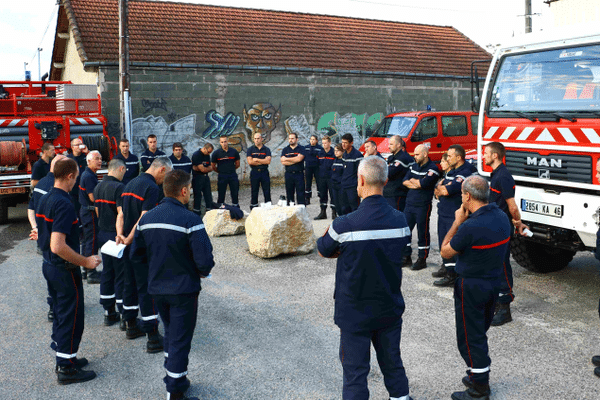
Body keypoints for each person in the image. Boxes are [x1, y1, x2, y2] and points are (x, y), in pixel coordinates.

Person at [317, 156, 413, 400]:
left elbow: (324, 248)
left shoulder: (344, 224)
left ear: (360, 180)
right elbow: (400, 251)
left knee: (355, 373)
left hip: (354, 312)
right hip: (388, 308)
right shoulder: (401, 221)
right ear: (386, 180)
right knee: (393, 363)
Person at [131, 169, 215, 400]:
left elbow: (136, 255)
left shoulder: (146, 219)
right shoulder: (191, 220)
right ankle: (175, 392)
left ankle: (175, 376)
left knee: (170, 334)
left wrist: (153, 273)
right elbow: (205, 261)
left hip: (157, 289)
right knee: (180, 339)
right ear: (185, 191)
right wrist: (199, 272)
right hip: (184, 291)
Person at [440, 175, 511, 400]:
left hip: (471, 286)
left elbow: (445, 251)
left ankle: (479, 387)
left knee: (471, 338)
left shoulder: (469, 226)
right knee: (478, 332)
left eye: (462, 193)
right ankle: (476, 374)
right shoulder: (500, 216)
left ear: (468, 196)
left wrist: (457, 222)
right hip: (492, 282)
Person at [34, 157, 101, 384]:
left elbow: (45, 235)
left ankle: (68, 357)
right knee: (71, 317)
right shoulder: (62, 202)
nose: (77, 180)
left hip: (50, 265)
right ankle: (66, 368)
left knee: (63, 315)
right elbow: (58, 245)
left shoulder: (46, 197)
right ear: (70, 176)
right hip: (63, 268)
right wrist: (86, 262)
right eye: (77, 176)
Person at [117, 156, 172, 351]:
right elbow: (143, 217)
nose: (164, 182)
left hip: (125, 245)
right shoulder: (152, 189)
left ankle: (131, 325)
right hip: (140, 246)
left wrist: (120, 235)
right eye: (166, 176)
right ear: (162, 170)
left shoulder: (130, 183)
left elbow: (121, 214)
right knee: (147, 290)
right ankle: (153, 337)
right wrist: (131, 238)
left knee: (129, 284)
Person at [484, 142, 528, 326]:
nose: (483, 156)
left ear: (495, 156)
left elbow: (512, 205)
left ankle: (505, 309)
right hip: (494, 225)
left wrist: (517, 223)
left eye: (486, 153)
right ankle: (496, 303)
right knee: (494, 265)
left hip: (502, 227)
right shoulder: (495, 174)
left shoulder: (503, 176)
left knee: (502, 267)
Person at [27, 154, 67, 322]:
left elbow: (31, 209)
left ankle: (53, 307)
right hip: (57, 237)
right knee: (61, 272)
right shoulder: (59, 187)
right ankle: (59, 306)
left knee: (49, 269)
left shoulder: (40, 184)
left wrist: (36, 227)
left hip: (43, 237)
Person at [433, 145, 476, 287]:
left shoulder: (466, 171)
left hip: (455, 215)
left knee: (453, 244)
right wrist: (442, 188)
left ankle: (453, 275)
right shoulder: (453, 170)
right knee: (443, 242)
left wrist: (443, 189)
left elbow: (448, 190)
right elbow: (439, 188)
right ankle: (448, 269)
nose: (447, 158)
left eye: (450, 156)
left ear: (458, 158)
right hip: (444, 212)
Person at [93, 158, 127, 328]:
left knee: (108, 272)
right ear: (121, 169)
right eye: (124, 171)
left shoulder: (98, 187)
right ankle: (123, 314)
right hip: (116, 236)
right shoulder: (119, 187)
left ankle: (108, 311)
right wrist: (120, 234)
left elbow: (98, 212)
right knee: (121, 274)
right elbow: (121, 214)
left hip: (103, 234)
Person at [402, 144, 440, 271]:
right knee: (405, 230)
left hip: (423, 205)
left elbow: (424, 183)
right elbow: (405, 181)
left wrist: (416, 182)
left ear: (425, 154)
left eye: (417, 154)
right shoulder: (413, 166)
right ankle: (406, 256)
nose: (415, 156)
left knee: (422, 232)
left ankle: (422, 259)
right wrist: (416, 183)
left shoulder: (433, 169)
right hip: (409, 204)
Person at [79, 150, 103, 284]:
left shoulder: (90, 174)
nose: (100, 161)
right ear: (88, 161)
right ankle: (91, 273)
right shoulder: (88, 176)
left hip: (86, 212)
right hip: (90, 213)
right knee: (92, 242)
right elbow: (93, 198)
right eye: (96, 159)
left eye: (100, 159)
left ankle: (85, 270)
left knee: (87, 241)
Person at [383, 136, 414, 212]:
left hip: (397, 195)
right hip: (389, 194)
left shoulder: (403, 158)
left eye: (391, 144)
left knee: (395, 220)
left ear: (398, 145)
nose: (388, 146)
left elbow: (388, 173)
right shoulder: (392, 157)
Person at [211, 136, 241, 208]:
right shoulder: (216, 153)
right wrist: (220, 171)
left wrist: (231, 169)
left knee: (235, 192)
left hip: (232, 175)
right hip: (222, 176)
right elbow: (213, 166)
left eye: (225, 141)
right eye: (222, 142)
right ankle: (220, 208)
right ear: (220, 143)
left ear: (228, 141)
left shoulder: (234, 151)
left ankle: (236, 207)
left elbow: (237, 164)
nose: (224, 143)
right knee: (221, 193)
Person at [246, 132, 272, 210]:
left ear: (261, 139)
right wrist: (263, 160)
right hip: (254, 172)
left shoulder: (266, 149)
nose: (257, 140)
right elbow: (250, 162)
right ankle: (254, 207)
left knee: (266, 191)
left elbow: (268, 161)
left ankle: (269, 208)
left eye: (258, 138)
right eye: (255, 139)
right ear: (253, 140)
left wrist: (257, 159)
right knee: (254, 191)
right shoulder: (250, 149)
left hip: (264, 172)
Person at [340, 134, 364, 215]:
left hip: (352, 187)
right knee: (344, 208)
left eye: (345, 143)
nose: (343, 144)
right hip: (344, 185)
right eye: (342, 142)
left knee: (354, 208)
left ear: (351, 143)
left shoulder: (357, 155)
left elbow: (360, 172)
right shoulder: (344, 155)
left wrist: (358, 185)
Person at [280, 132, 305, 205]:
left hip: (299, 174)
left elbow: (299, 159)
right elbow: (283, 161)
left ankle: (301, 212)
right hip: (288, 174)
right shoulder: (285, 149)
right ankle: (291, 212)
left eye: (292, 138)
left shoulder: (301, 148)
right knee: (289, 194)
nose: (290, 140)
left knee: (300, 194)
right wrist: (295, 160)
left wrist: (287, 159)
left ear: (296, 139)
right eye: (289, 138)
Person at [315, 135, 336, 220]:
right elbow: (317, 165)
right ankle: (323, 213)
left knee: (333, 195)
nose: (324, 145)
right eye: (323, 143)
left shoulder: (334, 153)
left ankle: (334, 213)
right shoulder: (320, 153)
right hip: (322, 177)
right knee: (322, 195)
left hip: (331, 177)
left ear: (330, 143)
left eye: (325, 143)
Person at [191, 143, 215, 217]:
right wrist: (204, 169)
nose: (209, 154)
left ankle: (209, 214)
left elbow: (211, 167)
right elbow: (203, 169)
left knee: (208, 196)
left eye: (210, 153)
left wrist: (204, 169)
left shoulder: (207, 155)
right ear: (204, 148)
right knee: (197, 197)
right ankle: (197, 215)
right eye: (208, 152)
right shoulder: (196, 155)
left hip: (205, 178)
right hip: (197, 178)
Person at [67, 138, 89, 217]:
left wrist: (87, 152)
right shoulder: (68, 159)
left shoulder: (86, 157)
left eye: (81, 144)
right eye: (77, 145)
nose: (80, 146)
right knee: (75, 210)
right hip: (74, 190)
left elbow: (94, 161)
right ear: (72, 147)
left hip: (85, 188)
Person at [304, 135, 323, 205]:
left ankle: (321, 197)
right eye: (311, 139)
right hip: (308, 167)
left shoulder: (320, 148)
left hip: (317, 168)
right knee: (308, 183)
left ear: (316, 141)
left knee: (319, 182)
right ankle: (307, 198)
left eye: (313, 139)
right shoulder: (306, 148)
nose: (312, 141)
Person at [330, 144, 344, 219]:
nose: (336, 152)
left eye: (338, 150)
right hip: (334, 185)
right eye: (335, 151)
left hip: (341, 185)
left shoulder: (344, 161)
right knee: (336, 204)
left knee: (342, 204)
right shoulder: (334, 160)